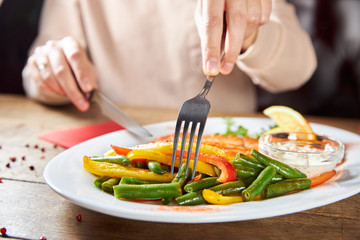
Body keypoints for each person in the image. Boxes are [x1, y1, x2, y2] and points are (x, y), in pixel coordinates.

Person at [22, 0, 316, 113]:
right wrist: (49, 70)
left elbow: (299, 68)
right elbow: (38, 71)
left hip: (227, 148)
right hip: (111, 144)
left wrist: (249, 34)